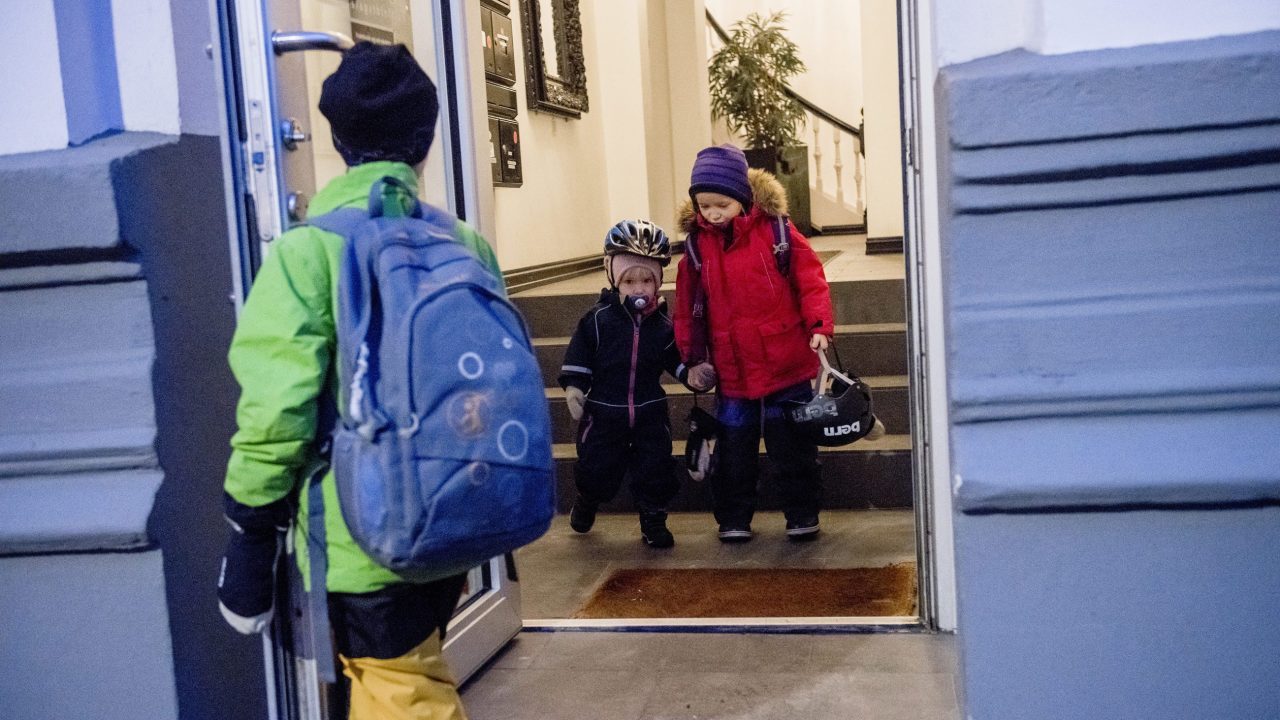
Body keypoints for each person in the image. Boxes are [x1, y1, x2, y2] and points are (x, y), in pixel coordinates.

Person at [216, 42, 498, 720]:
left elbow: (276, 413)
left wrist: (250, 534)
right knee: (397, 677)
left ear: (337, 140)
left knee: (401, 691)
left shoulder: (305, 252)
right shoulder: (463, 245)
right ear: (426, 141)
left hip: (360, 537)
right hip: (452, 518)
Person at [673, 143, 835, 543]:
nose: (712, 214)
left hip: (786, 363)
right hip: (733, 370)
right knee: (733, 450)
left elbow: (809, 279)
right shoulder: (696, 247)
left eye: (721, 205)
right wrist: (692, 358)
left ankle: (801, 513)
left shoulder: (778, 232)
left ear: (742, 199)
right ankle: (733, 517)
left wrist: (818, 325)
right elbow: (686, 306)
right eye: (704, 205)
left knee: (792, 447)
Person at [558, 220, 701, 549]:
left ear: (658, 281)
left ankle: (653, 518)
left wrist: (690, 374)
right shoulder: (597, 320)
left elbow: (673, 359)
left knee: (655, 466)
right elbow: (579, 356)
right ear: (614, 279)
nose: (639, 289)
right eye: (630, 280)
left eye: (647, 280)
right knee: (597, 466)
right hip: (605, 412)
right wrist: (575, 388)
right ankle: (588, 499)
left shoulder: (663, 326)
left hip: (649, 411)